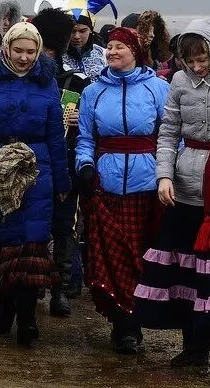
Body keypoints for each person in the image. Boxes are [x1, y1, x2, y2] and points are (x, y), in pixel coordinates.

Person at [0, 22, 70, 347]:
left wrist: (61, 178)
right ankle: (4, 311)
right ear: (5, 48)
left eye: (30, 52)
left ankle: (27, 319)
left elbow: (54, 134)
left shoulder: (47, 83)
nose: (24, 57)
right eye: (18, 50)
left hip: (37, 172)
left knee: (28, 248)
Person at [134, 18, 210, 366]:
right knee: (188, 268)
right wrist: (164, 177)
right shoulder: (178, 81)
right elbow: (168, 132)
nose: (198, 66)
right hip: (187, 187)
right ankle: (194, 346)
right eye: (191, 61)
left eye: (203, 58)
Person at [76, 27, 169, 354]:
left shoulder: (159, 89)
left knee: (140, 255)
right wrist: (85, 166)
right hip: (107, 184)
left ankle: (135, 320)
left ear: (135, 51)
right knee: (113, 259)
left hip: (148, 185)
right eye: (110, 47)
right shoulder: (93, 92)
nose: (112, 52)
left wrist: (168, 175)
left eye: (120, 47)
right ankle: (124, 325)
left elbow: (171, 136)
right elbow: (86, 138)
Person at [32, 8, 88, 317]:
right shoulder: (75, 82)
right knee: (64, 227)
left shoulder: (73, 81)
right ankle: (58, 288)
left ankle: (44, 284)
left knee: (43, 225)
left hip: (48, 161)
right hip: (60, 161)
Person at [62, 7, 107, 83]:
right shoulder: (58, 55)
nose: (77, 36)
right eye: (72, 31)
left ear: (90, 30)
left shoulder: (103, 54)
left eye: (82, 31)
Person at [136, 10, 172, 79]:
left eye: (153, 31)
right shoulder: (134, 53)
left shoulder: (158, 47)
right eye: (147, 30)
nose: (152, 35)